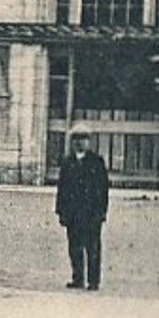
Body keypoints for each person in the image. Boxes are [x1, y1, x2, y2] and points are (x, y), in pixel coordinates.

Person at [55, 123, 110, 291]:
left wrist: (101, 212)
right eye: (76, 139)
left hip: (91, 214)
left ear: (89, 142)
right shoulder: (67, 162)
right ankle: (77, 277)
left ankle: (94, 281)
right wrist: (61, 212)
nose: (80, 143)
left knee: (92, 248)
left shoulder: (96, 162)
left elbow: (103, 190)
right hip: (73, 214)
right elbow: (62, 189)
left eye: (83, 139)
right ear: (72, 142)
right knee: (74, 247)